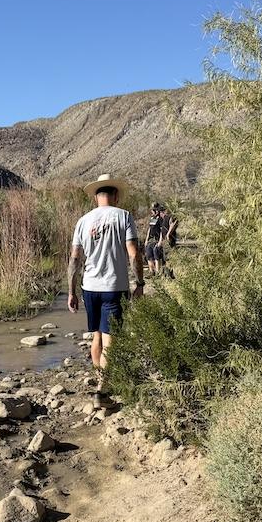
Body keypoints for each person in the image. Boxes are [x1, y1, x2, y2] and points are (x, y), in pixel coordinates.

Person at [67, 173, 145, 404]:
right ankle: (103, 389)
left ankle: (101, 379)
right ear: (116, 195)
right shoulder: (124, 216)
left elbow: (74, 260)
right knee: (111, 338)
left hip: (89, 287)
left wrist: (72, 291)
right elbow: (133, 253)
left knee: (97, 336)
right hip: (114, 286)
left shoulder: (83, 221)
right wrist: (139, 283)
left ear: (95, 197)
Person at [145, 203, 164, 276]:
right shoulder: (152, 219)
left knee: (156, 256)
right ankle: (151, 272)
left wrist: (160, 241)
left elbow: (162, 230)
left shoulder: (160, 219)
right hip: (151, 240)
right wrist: (147, 239)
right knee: (149, 256)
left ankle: (158, 272)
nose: (152, 212)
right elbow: (149, 229)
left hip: (156, 240)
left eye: (153, 210)